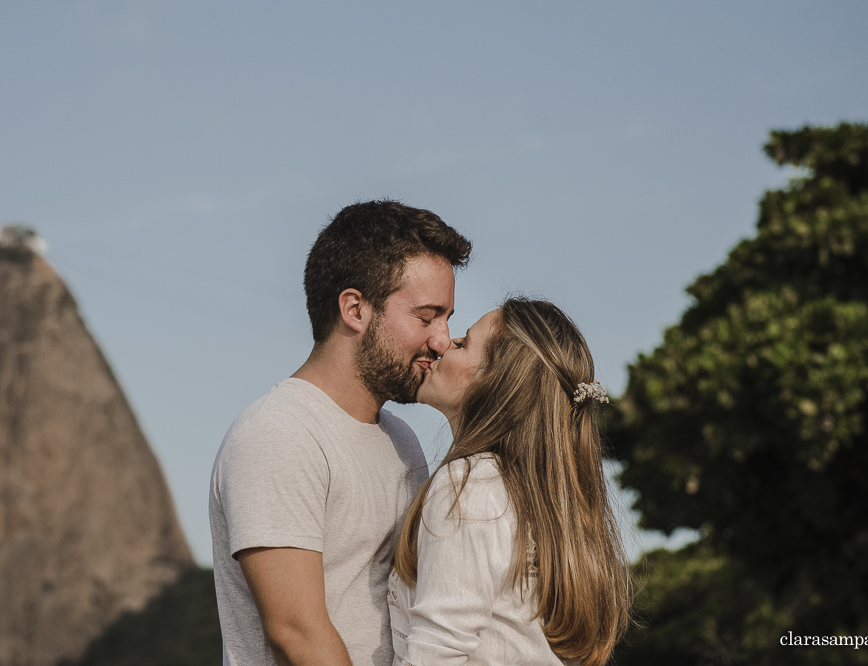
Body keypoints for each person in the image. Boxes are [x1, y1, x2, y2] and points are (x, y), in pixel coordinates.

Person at [210, 200, 472, 666]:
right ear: (355, 309)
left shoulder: (402, 441)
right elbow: (297, 635)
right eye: (426, 316)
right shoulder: (279, 434)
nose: (442, 340)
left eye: (447, 318)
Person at [390, 298, 632, 666]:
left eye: (464, 343)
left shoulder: (468, 486)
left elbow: (435, 654)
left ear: (498, 381)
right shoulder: (526, 496)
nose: (443, 344)